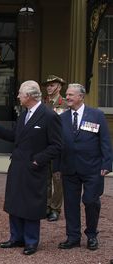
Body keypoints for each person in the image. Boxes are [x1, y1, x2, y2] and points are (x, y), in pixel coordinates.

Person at [0, 80, 62, 255]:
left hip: (34, 168)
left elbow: (57, 146)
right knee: (15, 202)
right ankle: (16, 238)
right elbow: (16, 137)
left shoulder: (49, 116)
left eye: (20, 93)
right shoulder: (24, 114)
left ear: (29, 96)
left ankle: (31, 241)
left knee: (31, 204)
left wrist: (38, 160)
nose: (18, 96)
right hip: (18, 166)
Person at [57, 83, 112, 251]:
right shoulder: (62, 118)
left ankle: (92, 235)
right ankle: (73, 237)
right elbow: (58, 144)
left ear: (81, 97)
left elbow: (105, 141)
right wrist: (57, 167)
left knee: (91, 201)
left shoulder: (96, 115)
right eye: (67, 94)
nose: (67, 97)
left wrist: (107, 163)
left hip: (93, 168)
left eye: (71, 95)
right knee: (71, 204)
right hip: (69, 168)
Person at [42, 75, 68, 222]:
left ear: (59, 86)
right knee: (44, 178)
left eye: (52, 85)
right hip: (44, 147)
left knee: (57, 179)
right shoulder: (42, 103)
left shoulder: (64, 104)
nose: (49, 88)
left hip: (58, 147)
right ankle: (45, 206)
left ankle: (55, 208)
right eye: (48, 85)